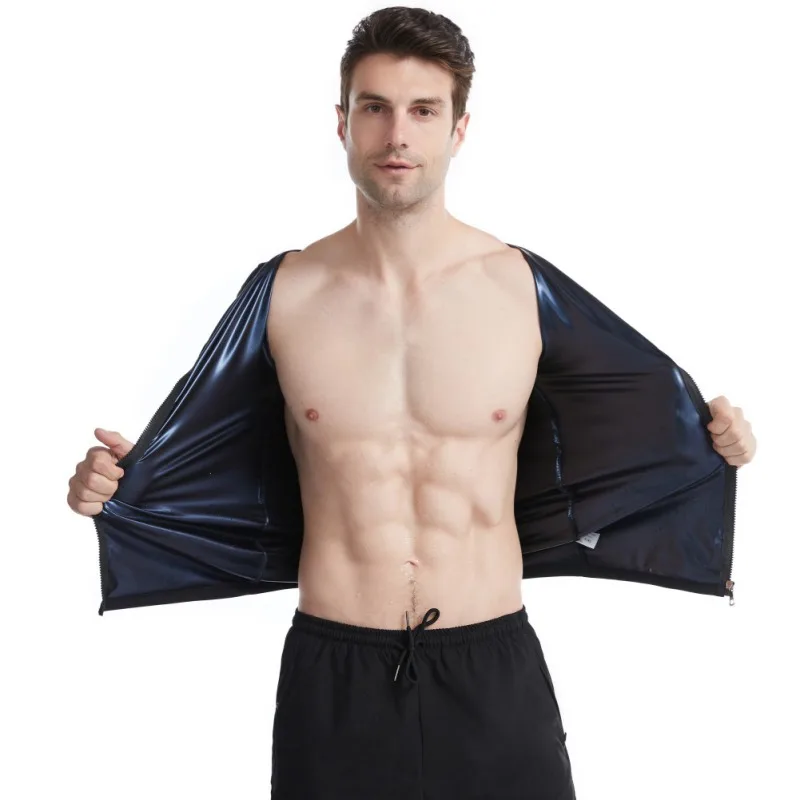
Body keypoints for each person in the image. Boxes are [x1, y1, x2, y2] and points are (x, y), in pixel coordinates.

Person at [65, 7, 757, 799]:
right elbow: (202, 447)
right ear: (342, 122)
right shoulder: (286, 293)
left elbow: (653, 421)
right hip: (335, 675)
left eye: (424, 110)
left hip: (492, 669)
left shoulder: (519, 290)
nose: (398, 134)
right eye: (376, 107)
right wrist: (114, 488)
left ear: (459, 129)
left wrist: (722, 443)